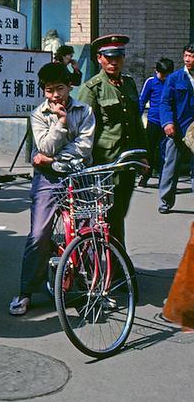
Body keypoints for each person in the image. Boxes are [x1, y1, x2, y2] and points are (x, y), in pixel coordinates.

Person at [9, 62, 95, 316]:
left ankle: (88, 288)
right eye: (49, 90)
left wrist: (54, 160)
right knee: (38, 235)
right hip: (48, 180)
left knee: (87, 234)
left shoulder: (86, 110)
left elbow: (84, 148)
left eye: (60, 88)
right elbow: (44, 147)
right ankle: (26, 291)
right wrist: (61, 121)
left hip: (79, 178)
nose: (55, 95)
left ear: (70, 86)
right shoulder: (38, 115)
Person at [78, 34, 147, 246]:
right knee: (104, 217)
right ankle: (108, 266)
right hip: (103, 163)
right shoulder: (92, 88)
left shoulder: (128, 84)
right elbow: (82, 128)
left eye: (118, 56)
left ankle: (115, 262)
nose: (114, 61)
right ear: (99, 58)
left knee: (119, 214)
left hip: (126, 162)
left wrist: (143, 155)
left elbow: (136, 122)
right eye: (109, 57)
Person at [158, 46, 194, 213]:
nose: (188, 59)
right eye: (186, 55)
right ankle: (166, 201)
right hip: (178, 129)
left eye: (191, 56)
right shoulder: (175, 78)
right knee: (171, 166)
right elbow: (165, 102)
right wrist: (167, 123)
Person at [138, 57, 174, 187]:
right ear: (156, 71)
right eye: (161, 74)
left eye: (166, 75)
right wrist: (137, 120)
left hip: (168, 123)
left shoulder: (173, 82)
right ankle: (145, 175)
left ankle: (164, 181)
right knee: (149, 151)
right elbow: (142, 101)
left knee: (166, 153)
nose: (163, 77)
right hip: (153, 121)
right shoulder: (151, 82)